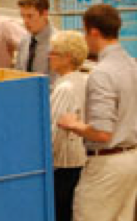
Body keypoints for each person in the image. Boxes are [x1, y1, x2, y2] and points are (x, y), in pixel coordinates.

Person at [58, 4, 137, 221]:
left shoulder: (102, 73)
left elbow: (102, 133)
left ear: (94, 31)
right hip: (134, 158)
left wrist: (73, 124)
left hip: (107, 164)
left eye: (84, 31)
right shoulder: (133, 66)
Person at [49, 31, 88, 221]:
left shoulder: (65, 88)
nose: (49, 56)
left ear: (68, 57)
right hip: (78, 160)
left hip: (63, 163)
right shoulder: (81, 80)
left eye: (54, 53)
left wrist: (47, 161)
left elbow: (56, 130)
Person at [16, 0, 56, 75]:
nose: (25, 21)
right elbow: (18, 73)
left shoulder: (57, 43)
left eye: (30, 16)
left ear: (45, 14)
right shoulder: (24, 41)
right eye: (23, 16)